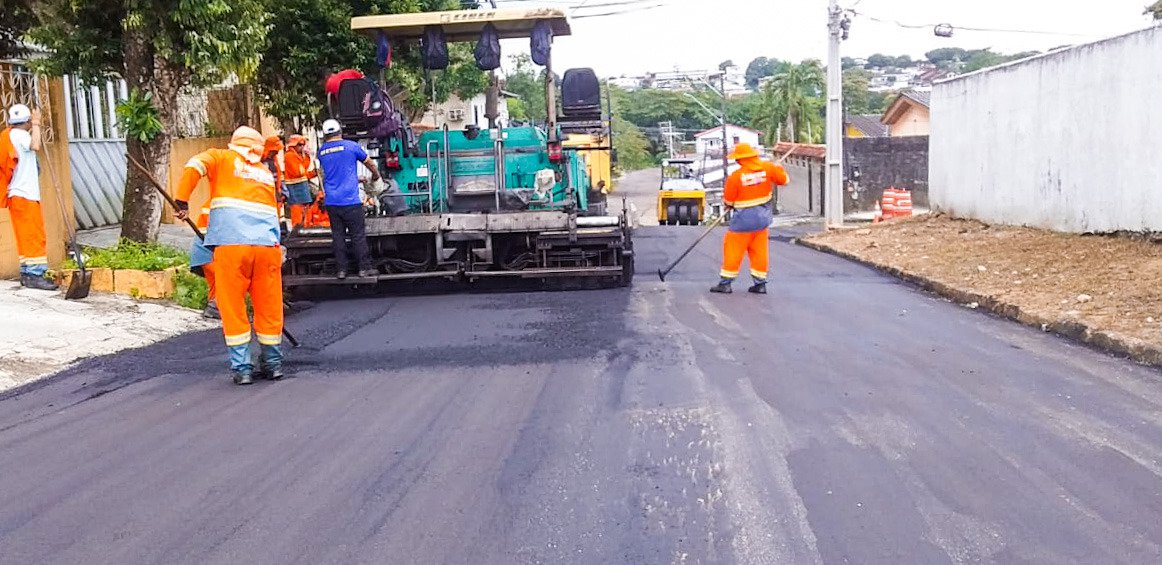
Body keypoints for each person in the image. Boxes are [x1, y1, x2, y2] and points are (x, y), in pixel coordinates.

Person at [174, 126, 284, 385]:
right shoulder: (265, 173)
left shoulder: (221, 157)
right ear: (258, 148)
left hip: (233, 248)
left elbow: (194, 165)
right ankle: (273, 363)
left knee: (233, 308)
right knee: (269, 307)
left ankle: (243, 368)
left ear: (234, 143)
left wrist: (181, 201)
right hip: (268, 248)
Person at [711, 143, 789, 295]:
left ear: (742, 159)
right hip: (763, 219)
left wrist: (729, 205)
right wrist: (778, 168)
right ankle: (760, 284)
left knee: (733, 249)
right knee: (759, 251)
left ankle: (725, 284)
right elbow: (784, 180)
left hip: (743, 221)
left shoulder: (736, 176)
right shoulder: (768, 168)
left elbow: (728, 201)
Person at [1, 104, 58, 291]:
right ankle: (35, 274)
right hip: (25, 194)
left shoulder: (9, 135)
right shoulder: (21, 136)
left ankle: (27, 272)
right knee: (34, 234)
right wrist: (37, 124)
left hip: (16, 194)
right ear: (26, 122)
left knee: (25, 235)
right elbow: (36, 145)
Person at [316, 118, 380, 279]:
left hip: (332, 202)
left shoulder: (322, 151)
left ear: (325, 135)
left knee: (338, 236)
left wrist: (355, 178)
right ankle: (364, 268)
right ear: (340, 131)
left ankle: (341, 270)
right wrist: (375, 175)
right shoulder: (351, 146)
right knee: (357, 235)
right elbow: (370, 163)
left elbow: (333, 174)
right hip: (350, 201)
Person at [282, 134, 317, 228]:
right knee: (297, 212)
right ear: (294, 145)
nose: (302, 147)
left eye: (303, 145)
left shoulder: (298, 156)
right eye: (300, 144)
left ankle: (305, 228)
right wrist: (310, 173)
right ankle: (296, 231)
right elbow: (299, 172)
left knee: (306, 211)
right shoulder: (289, 156)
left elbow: (304, 170)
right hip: (294, 188)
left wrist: (307, 156)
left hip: (302, 187)